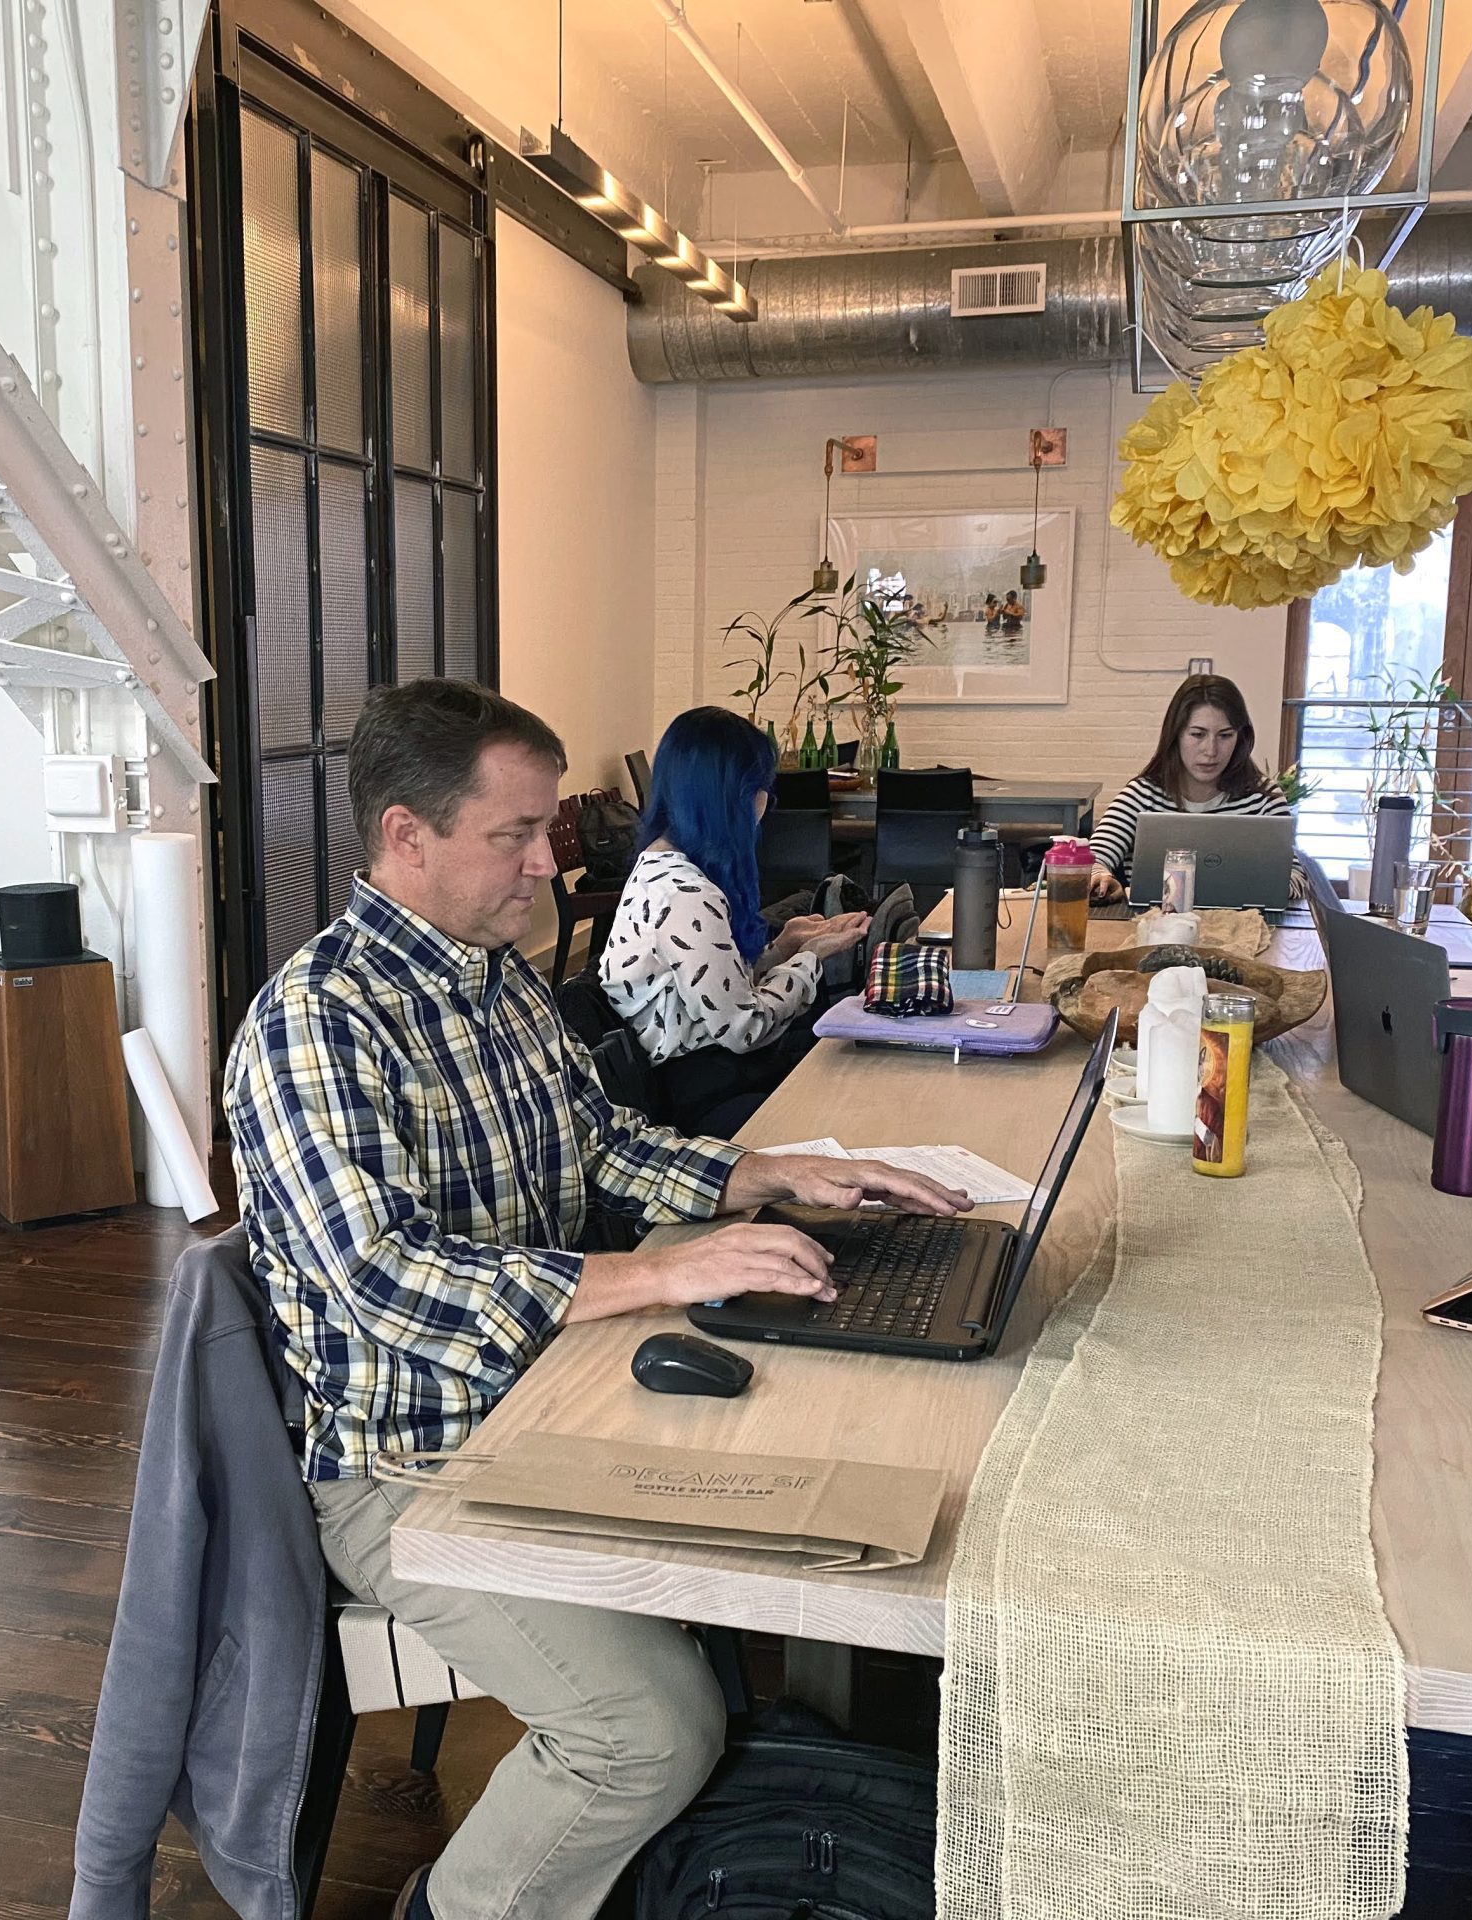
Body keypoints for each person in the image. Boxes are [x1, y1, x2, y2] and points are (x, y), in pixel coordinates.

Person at [222, 679, 969, 1920]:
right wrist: (658, 1272)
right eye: (511, 837)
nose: (545, 866)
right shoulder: (318, 1019)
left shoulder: (494, 979)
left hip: (549, 1403)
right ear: (406, 836)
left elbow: (602, 1145)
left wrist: (764, 1173)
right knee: (648, 1732)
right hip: (412, 1466)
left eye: (544, 829)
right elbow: (380, 1280)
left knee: (858, 1485)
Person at [599, 706, 868, 1134]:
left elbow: (713, 985)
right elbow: (742, 1027)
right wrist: (811, 959)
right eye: (763, 787)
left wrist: (785, 946)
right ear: (736, 796)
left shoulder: (658, 863)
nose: (767, 801)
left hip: (695, 1068)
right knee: (843, 1068)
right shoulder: (689, 895)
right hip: (698, 1090)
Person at [1087, 672, 1290, 900]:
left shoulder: (1265, 799)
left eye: (1225, 736)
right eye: (1197, 734)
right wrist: (1100, 876)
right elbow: (1093, 858)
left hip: (1246, 927)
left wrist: (1274, 887)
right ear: (1176, 735)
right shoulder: (1142, 795)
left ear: (1240, 738)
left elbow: (1294, 876)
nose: (1211, 750)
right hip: (1155, 926)